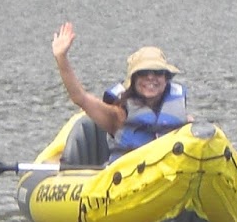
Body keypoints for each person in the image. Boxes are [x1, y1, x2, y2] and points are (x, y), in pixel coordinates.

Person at [51, 22, 189, 162]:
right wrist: (61, 58)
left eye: (157, 72)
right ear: (133, 80)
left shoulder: (183, 117)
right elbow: (80, 97)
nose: (150, 77)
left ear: (166, 78)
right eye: (143, 73)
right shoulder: (118, 115)